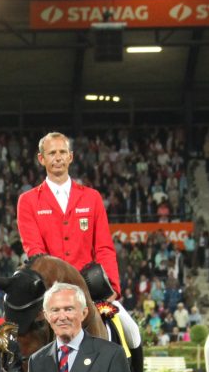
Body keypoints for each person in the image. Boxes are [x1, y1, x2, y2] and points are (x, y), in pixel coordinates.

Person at [15, 131, 141, 347]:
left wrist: (112, 287)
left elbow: (104, 247)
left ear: (70, 157)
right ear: (41, 159)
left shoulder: (92, 197)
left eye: (63, 152)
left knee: (132, 332)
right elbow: (35, 251)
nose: (58, 157)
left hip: (91, 290)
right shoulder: (27, 201)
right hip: (49, 289)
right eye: (52, 153)